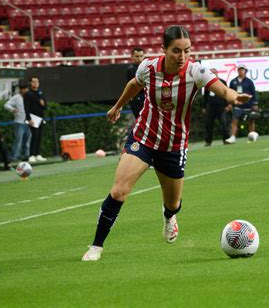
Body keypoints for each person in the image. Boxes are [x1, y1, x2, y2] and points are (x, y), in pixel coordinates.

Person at [81, 25, 251, 261]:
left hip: (174, 145)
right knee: (119, 190)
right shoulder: (148, 67)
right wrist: (117, 106)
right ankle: (96, 246)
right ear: (164, 49)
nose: (182, 57)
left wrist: (235, 97)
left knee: (173, 203)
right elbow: (133, 85)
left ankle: (169, 216)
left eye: (187, 51)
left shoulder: (196, 72)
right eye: (176, 51)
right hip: (144, 138)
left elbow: (221, 89)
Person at [225, 64, 258, 144]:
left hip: (248, 105)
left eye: (242, 69)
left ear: (245, 71)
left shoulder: (249, 82)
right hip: (237, 105)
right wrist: (229, 103)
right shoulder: (233, 81)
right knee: (234, 120)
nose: (241, 71)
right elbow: (230, 93)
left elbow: (253, 93)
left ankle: (251, 136)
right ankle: (233, 137)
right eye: (239, 69)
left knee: (250, 121)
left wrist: (255, 104)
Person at [202, 68, 231, 146]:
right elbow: (205, 96)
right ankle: (208, 141)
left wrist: (228, 104)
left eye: (214, 72)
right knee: (209, 124)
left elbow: (227, 93)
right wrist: (204, 107)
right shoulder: (207, 84)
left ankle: (226, 139)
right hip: (211, 108)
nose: (213, 74)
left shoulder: (223, 82)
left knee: (224, 123)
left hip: (222, 107)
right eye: (211, 73)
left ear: (217, 73)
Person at [4, 81, 31, 162]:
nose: (25, 90)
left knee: (27, 141)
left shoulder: (29, 97)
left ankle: (27, 155)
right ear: (20, 90)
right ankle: (15, 156)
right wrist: (12, 109)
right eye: (24, 89)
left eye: (26, 89)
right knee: (18, 141)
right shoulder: (16, 97)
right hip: (19, 122)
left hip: (29, 122)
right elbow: (6, 105)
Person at [24, 76, 47, 163]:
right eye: (33, 81)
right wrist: (29, 118)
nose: (35, 83)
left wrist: (43, 104)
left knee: (40, 136)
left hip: (40, 118)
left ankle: (38, 154)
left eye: (37, 81)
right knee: (35, 135)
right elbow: (26, 107)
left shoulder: (40, 93)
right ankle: (31, 155)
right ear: (30, 83)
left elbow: (45, 106)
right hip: (33, 118)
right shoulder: (28, 94)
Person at [127, 47, 146, 118]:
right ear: (132, 57)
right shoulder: (131, 69)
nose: (139, 58)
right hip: (137, 98)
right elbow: (137, 85)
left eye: (141, 56)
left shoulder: (146, 67)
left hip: (145, 97)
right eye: (137, 56)